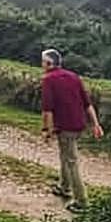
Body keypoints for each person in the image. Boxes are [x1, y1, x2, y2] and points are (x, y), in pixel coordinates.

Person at [40, 48, 103, 212]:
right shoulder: (73, 76)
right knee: (65, 155)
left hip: (65, 127)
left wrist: (46, 130)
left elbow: (47, 110)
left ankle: (82, 201)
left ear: (49, 63)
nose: (41, 65)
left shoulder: (48, 79)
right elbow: (87, 104)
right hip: (79, 124)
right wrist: (96, 124)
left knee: (71, 161)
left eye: (43, 62)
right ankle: (64, 187)